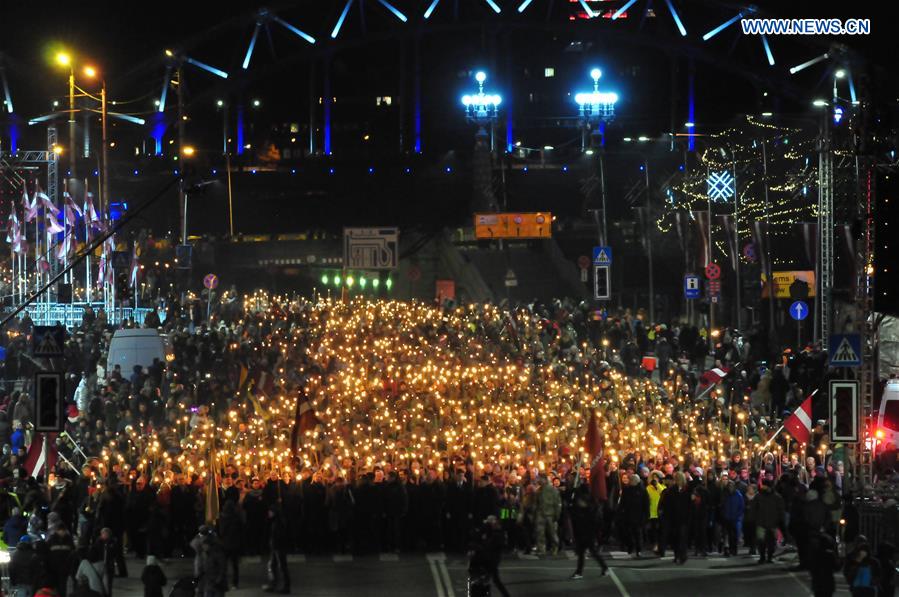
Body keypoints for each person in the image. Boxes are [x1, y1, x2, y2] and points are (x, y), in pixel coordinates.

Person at [568, 483, 608, 580]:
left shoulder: (591, 507)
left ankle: (604, 567)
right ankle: (580, 571)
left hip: (589, 532)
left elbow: (595, 521)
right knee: (582, 553)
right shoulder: (583, 505)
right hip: (582, 532)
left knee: (592, 552)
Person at [468, 516, 510, 597]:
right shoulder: (494, 533)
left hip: (490, 561)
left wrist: (478, 547)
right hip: (491, 561)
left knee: (485, 581)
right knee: (492, 581)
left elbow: (488, 547)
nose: (491, 525)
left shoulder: (497, 534)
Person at [750, 479, 784, 564]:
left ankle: (769, 557)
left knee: (771, 542)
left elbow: (780, 510)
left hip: (772, 523)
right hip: (761, 523)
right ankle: (763, 557)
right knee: (761, 541)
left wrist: (779, 520)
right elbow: (753, 509)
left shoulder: (776, 497)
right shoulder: (759, 496)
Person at [191, 526, 228, 597]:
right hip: (209, 582)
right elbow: (202, 568)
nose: (203, 547)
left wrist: (218, 579)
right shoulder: (205, 554)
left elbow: (222, 567)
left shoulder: (216, 553)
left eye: (205, 545)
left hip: (216, 583)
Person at [263, 507, 290, 594]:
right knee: (273, 566)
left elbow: (278, 536)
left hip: (278, 548)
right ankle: (274, 584)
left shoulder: (278, 523)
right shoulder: (277, 522)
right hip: (276, 548)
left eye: (270, 512)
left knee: (281, 566)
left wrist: (274, 545)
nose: (268, 513)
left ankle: (284, 586)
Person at [534, 475, 561, 555]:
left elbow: (557, 503)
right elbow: (536, 503)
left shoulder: (553, 490)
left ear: (545, 480)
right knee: (540, 533)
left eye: (541, 479)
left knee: (552, 533)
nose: (539, 481)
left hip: (550, 514)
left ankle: (555, 547)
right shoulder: (539, 490)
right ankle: (541, 549)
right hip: (541, 514)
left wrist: (557, 515)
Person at [809, 531, 841, 597]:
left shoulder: (814, 554)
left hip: (817, 583)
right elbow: (837, 567)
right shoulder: (830, 554)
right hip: (828, 582)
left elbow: (810, 567)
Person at [720, 481, 744, 557]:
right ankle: (730, 550)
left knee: (734, 535)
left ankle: (734, 550)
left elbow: (741, 507)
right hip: (727, 518)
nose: (730, 487)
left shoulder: (738, 495)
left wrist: (738, 516)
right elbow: (722, 505)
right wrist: (724, 514)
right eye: (729, 486)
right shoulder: (725, 495)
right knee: (728, 535)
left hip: (735, 518)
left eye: (731, 486)